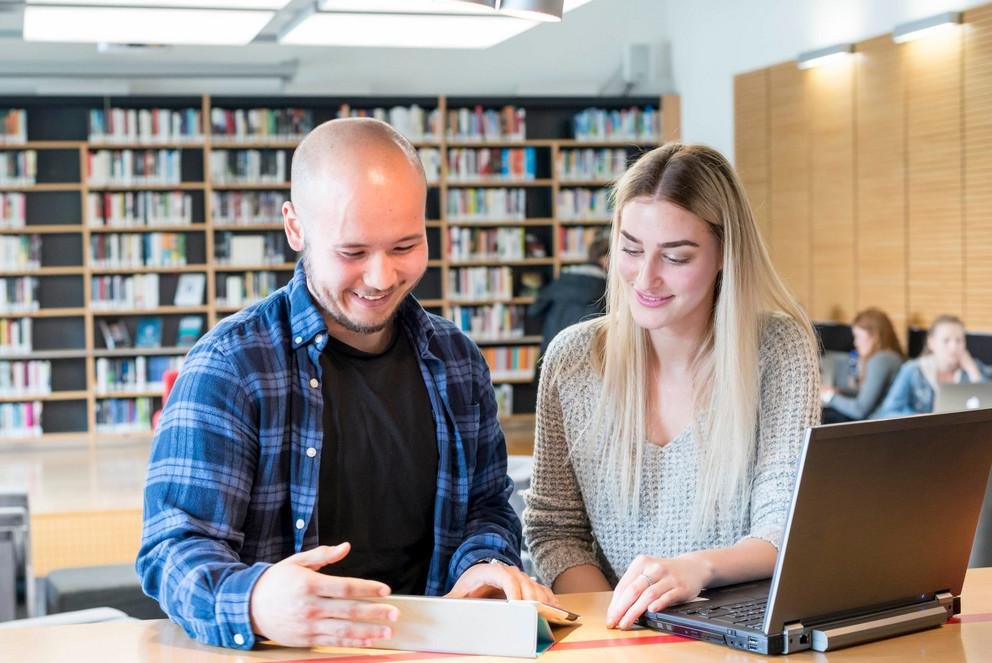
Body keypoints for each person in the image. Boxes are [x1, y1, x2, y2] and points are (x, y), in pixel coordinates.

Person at [137, 118, 552, 651]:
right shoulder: (231, 367)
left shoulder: (457, 361)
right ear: (295, 229)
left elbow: (486, 506)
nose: (381, 278)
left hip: (434, 649)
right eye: (352, 253)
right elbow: (173, 547)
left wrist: (484, 564)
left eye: (405, 246)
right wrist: (255, 600)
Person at [523, 143, 819, 631]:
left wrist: (696, 569)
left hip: (740, 635)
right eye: (630, 249)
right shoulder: (571, 360)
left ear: (725, 254)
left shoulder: (779, 348)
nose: (646, 278)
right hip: (616, 635)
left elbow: (781, 526)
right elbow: (555, 531)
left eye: (676, 257)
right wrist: (626, 620)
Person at [873, 314, 990, 418]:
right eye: (946, 340)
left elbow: (987, 408)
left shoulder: (973, 368)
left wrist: (973, 371)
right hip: (923, 433)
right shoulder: (912, 370)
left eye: (959, 340)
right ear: (931, 343)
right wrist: (927, 421)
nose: (954, 347)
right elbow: (889, 411)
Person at [527, 235, 609, 359]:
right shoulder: (607, 289)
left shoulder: (561, 280)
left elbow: (534, 311)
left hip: (552, 352)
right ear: (604, 259)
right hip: (585, 358)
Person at [820, 307, 904, 422]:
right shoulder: (892, 356)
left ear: (875, 336)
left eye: (858, 337)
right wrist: (839, 391)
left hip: (876, 425)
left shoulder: (880, 360)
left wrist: (828, 397)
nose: (855, 343)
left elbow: (859, 410)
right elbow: (866, 393)